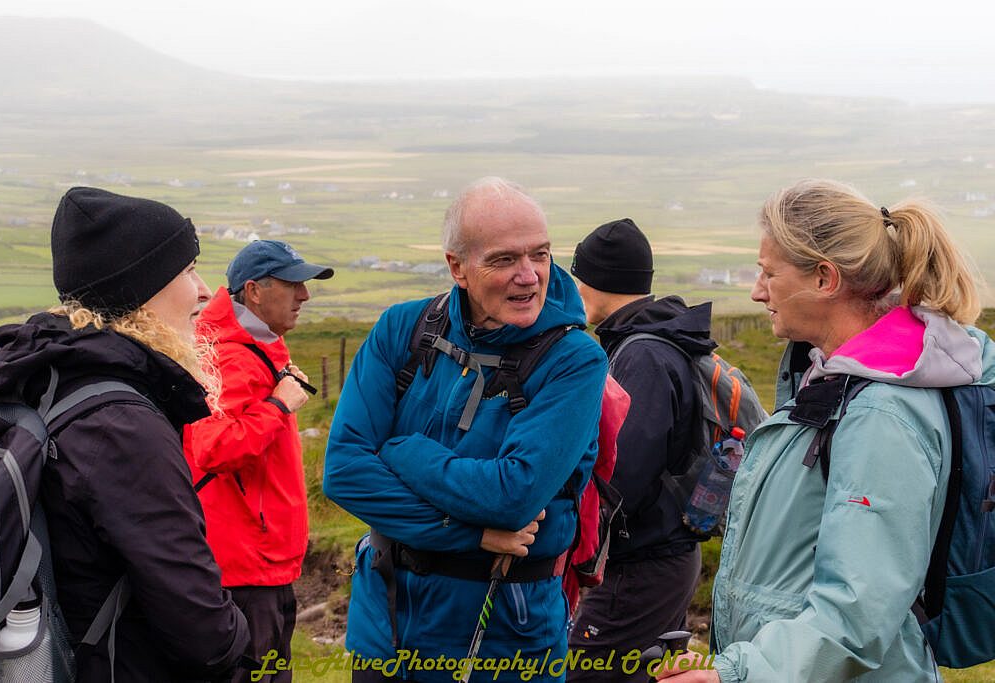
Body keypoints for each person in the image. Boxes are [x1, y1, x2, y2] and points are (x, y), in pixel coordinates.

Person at [657, 178, 993, 682]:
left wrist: (737, 673)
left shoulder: (880, 415)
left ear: (824, 279)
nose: (756, 292)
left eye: (769, 274)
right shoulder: (838, 382)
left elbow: (858, 612)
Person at [323, 177, 607, 682]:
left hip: (504, 634)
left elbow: (512, 496)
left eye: (539, 255)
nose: (529, 277)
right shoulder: (403, 328)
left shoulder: (574, 360)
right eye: (503, 260)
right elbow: (344, 471)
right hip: (384, 624)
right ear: (458, 267)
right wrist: (473, 534)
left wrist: (403, 451)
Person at [0, 187, 250, 680]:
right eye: (187, 270)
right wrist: (239, 642)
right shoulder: (122, 427)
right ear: (141, 290)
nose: (205, 290)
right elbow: (197, 624)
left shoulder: (42, 375)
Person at [185, 239, 334, 682]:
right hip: (245, 568)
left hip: (257, 562)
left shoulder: (254, 342)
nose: (304, 296)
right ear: (253, 291)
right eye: (293, 285)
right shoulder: (229, 356)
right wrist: (279, 406)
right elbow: (211, 447)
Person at [568, 218, 710, 680]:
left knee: (580, 673)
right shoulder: (653, 342)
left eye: (578, 276)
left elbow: (623, 473)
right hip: (661, 555)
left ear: (598, 280)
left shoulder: (642, 355)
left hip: (643, 561)